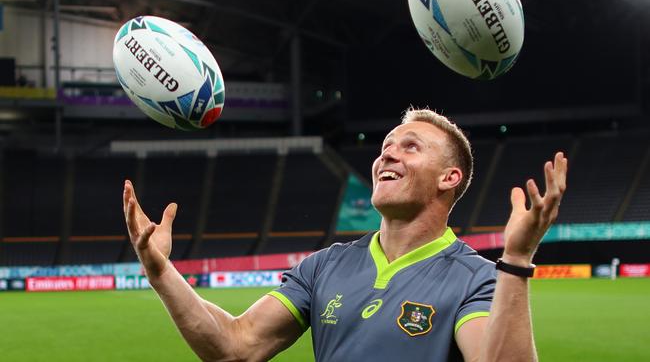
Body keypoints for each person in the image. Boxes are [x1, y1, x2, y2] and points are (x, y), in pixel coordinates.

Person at [123, 108, 567, 361]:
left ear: (450, 177)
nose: (388, 154)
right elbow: (234, 347)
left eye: (410, 146)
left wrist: (518, 257)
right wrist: (161, 271)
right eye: (385, 147)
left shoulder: (477, 279)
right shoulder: (323, 267)